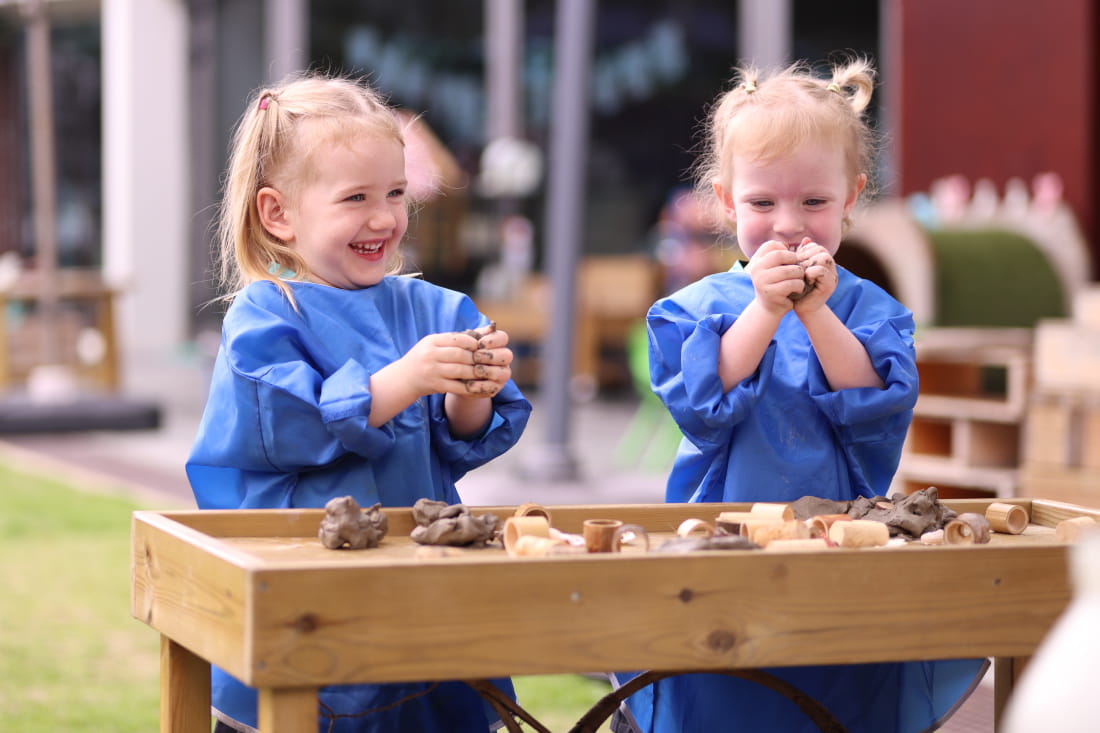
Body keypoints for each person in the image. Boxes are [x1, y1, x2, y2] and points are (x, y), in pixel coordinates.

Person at [616, 59, 985, 732]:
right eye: (762, 204)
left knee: (836, 683)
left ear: (852, 197)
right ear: (727, 203)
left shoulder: (873, 311)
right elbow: (704, 404)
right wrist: (763, 310)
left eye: (814, 202)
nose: (790, 226)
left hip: (843, 537)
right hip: (722, 536)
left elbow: (877, 400)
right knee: (724, 680)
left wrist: (817, 313)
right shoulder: (694, 309)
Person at [186, 73, 532, 733]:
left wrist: (473, 391)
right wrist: (404, 378)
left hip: (421, 599)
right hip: (307, 601)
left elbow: (461, 438)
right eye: (356, 198)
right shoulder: (265, 314)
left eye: (396, 193)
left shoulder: (433, 305)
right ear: (278, 213)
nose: (384, 218)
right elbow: (291, 423)